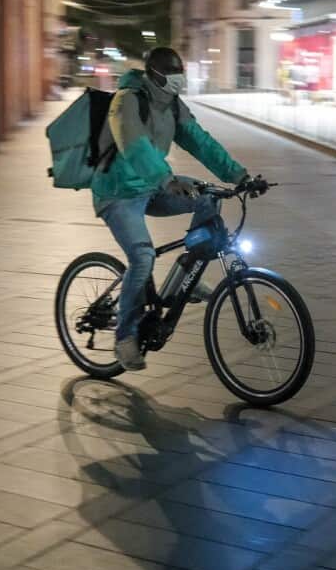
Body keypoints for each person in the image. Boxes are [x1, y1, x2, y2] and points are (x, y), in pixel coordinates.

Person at [92, 47, 250, 371]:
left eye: (180, 73)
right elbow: (134, 147)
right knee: (143, 257)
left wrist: (240, 175)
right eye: (171, 73)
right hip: (118, 193)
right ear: (154, 74)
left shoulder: (172, 106)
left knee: (207, 197)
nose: (178, 80)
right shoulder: (127, 102)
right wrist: (165, 179)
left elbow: (200, 141)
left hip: (152, 186)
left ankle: (185, 277)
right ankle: (125, 337)